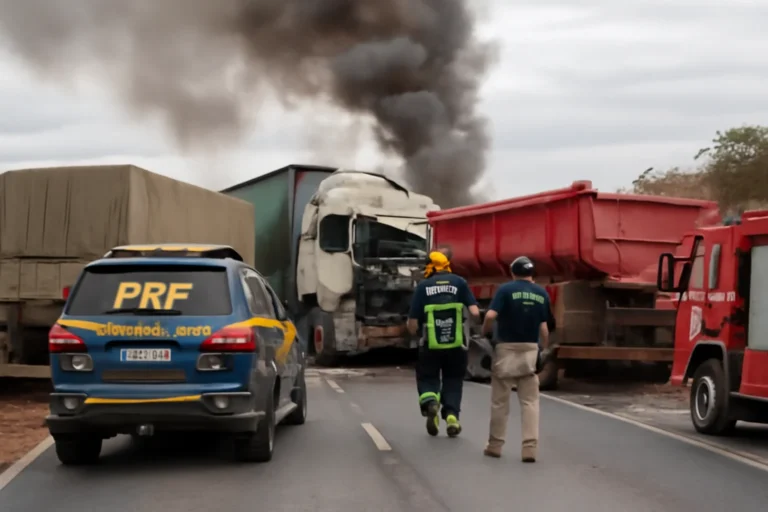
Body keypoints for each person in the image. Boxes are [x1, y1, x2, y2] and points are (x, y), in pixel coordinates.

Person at [481, 256, 551, 462]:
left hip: (506, 349)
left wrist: (485, 333)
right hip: (529, 350)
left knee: (500, 402)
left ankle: (495, 446)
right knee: (530, 402)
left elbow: (490, 316)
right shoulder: (541, 293)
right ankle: (529, 449)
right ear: (531, 273)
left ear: (512, 272)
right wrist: (542, 349)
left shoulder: (505, 290)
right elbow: (544, 328)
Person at [408, 249, 480, 437]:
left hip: (430, 344)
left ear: (430, 266)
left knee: (428, 377)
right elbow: (474, 312)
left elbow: (413, 322)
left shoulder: (423, 286)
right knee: (453, 379)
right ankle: (452, 417)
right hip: (456, 344)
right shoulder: (459, 282)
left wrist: (414, 334)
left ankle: (431, 402)